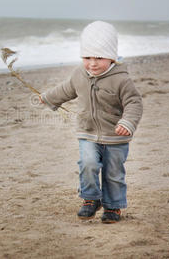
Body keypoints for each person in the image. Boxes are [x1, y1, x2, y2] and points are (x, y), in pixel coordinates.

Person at [40, 21, 143, 223]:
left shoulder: (121, 79)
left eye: (99, 58)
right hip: (87, 132)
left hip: (115, 136)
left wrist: (127, 122)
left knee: (113, 173)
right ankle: (90, 199)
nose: (92, 63)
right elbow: (66, 89)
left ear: (112, 57)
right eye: (87, 57)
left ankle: (113, 207)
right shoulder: (80, 74)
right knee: (87, 163)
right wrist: (48, 98)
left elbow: (134, 103)